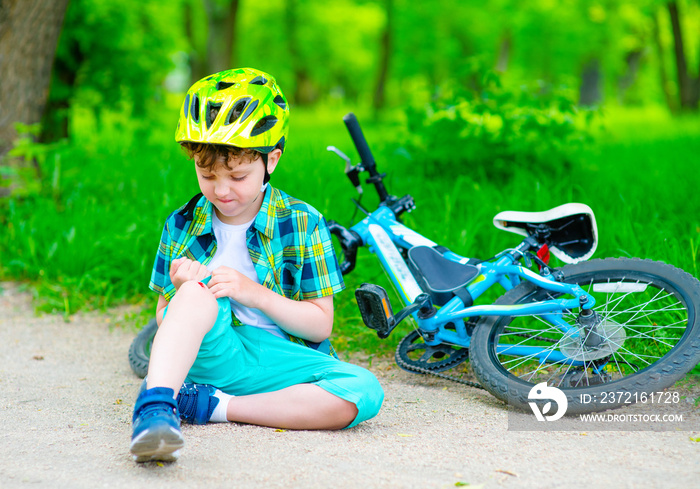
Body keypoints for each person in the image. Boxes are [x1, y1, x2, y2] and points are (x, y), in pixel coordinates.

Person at [129, 67, 384, 463]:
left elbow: (320, 325)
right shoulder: (181, 224)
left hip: (277, 360)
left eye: (238, 175)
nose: (222, 189)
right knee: (195, 294)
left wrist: (254, 294)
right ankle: (155, 409)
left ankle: (211, 407)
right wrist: (180, 292)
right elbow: (165, 319)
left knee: (363, 391)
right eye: (207, 174)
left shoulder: (302, 222)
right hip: (214, 351)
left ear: (272, 161)